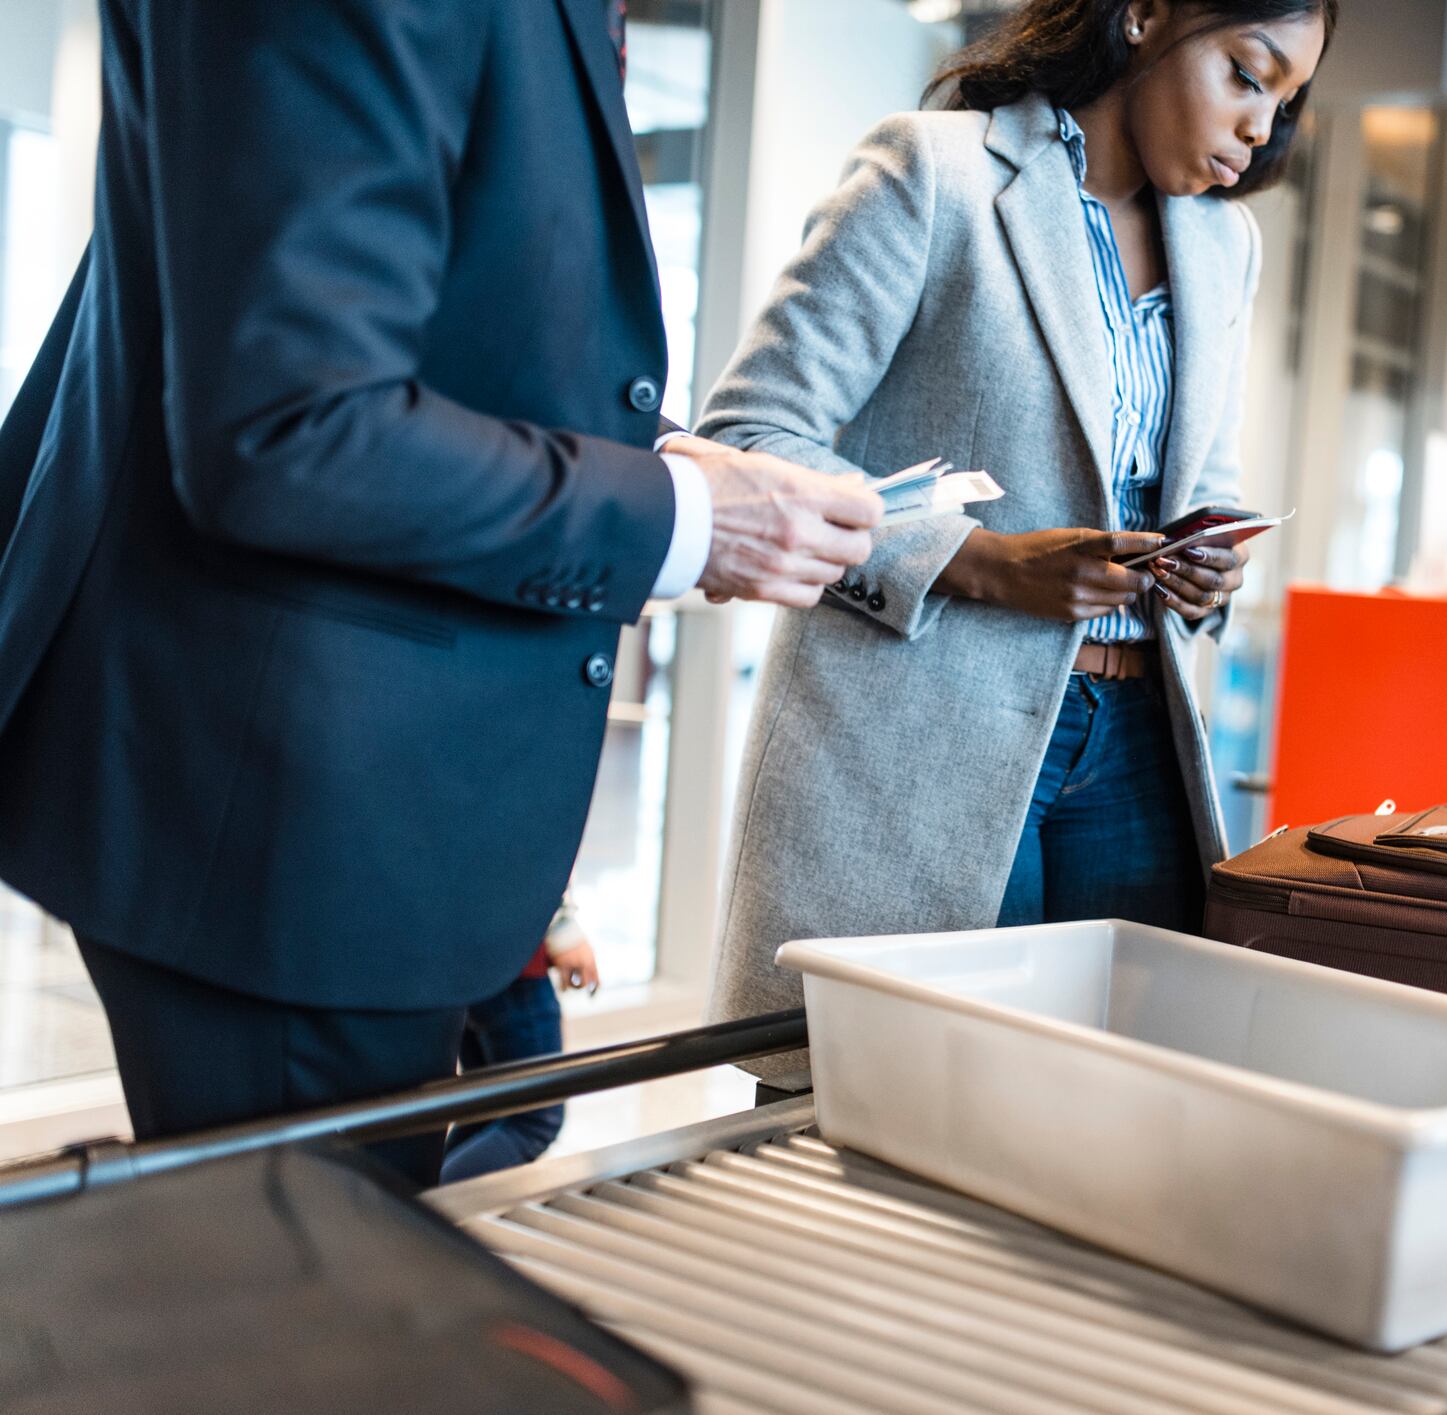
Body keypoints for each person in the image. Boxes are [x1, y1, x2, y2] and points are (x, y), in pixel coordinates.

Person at [0, 0, 882, 1184]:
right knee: (310, 1326)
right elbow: (292, 426)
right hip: (277, 813)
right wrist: (683, 524)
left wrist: (672, 467)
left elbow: (454, 343)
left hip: (347, 796)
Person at [698, 0, 1333, 1084]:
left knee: (1106, 1107)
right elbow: (752, 440)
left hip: (1137, 739)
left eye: (1280, 104)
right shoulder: (931, 174)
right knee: (899, 1105)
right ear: (1143, 18)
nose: (1257, 130)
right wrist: (986, 561)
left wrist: (1210, 565)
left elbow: (1202, 477)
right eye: (1244, 74)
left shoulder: (1225, 247)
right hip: (922, 735)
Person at [439, 897, 600, 1184]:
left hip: (463, 955)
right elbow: (527, 858)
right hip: (514, 961)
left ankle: (410, 1206)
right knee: (535, 1120)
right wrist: (562, 928)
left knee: (485, 1111)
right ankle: (415, 1212)